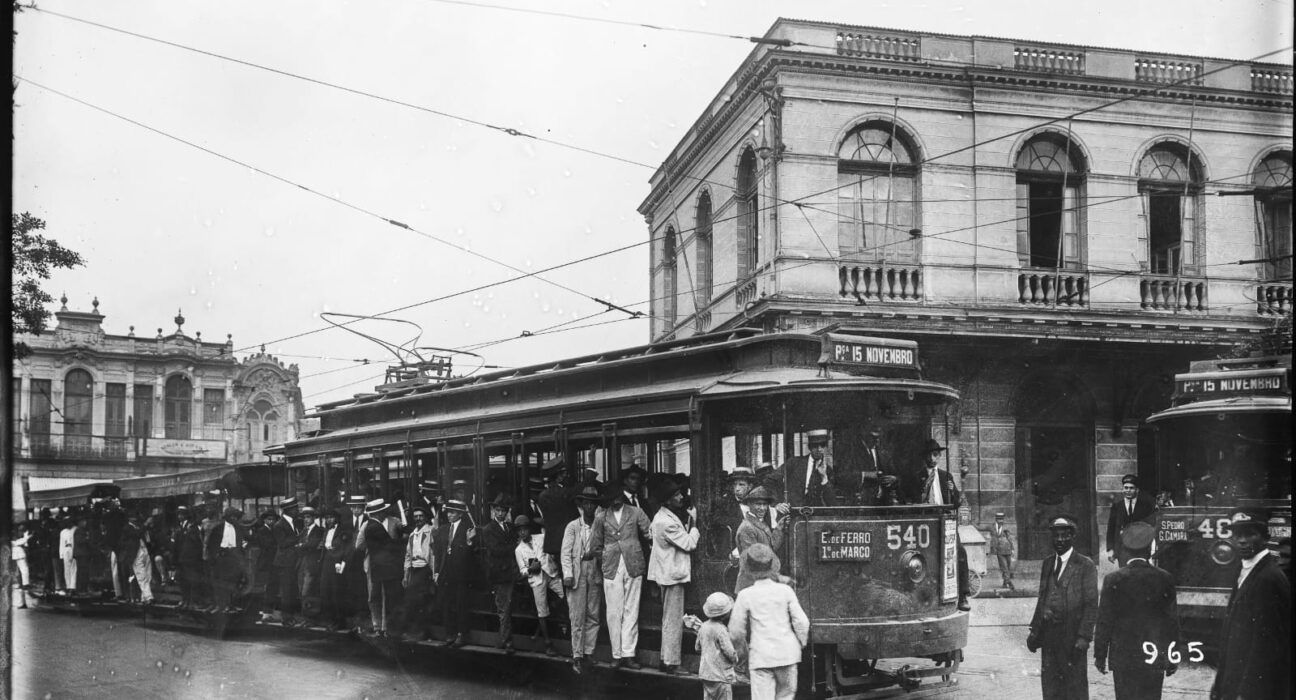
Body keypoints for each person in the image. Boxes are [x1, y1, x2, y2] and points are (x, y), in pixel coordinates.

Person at [1093, 521, 1179, 700]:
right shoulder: (1164, 578)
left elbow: (1104, 620)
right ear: (1149, 550)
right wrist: (1173, 656)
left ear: (1125, 549)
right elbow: (1171, 621)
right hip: (1153, 655)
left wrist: (1100, 655)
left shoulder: (1113, 579)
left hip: (1123, 657)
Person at [1211, 513, 1291, 700]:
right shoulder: (1248, 569)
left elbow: (1266, 645)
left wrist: (1246, 692)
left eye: (1250, 534)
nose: (1242, 541)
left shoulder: (1268, 578)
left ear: (1265, 538)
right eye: (1237, 535)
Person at [1027, 515, 1098, 700]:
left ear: (1072, 537)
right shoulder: (1048, 563)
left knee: (1075, 687)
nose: (1060, 540)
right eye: (1056, 536)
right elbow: (1042, 598)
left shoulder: (1085, 565)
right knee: (1051, 687)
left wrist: (1084, 637)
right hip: (1050, 637)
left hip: (1072, 637)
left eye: (1064, 536)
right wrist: (1035, 632)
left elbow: (1091, 605)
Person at [730, 543, 809, 700]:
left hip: (761, 656)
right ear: (771, 566)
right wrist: (801, 643)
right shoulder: (785, 591)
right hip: (788, 654)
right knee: (786, 696)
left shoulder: (745, 595)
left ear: (749, 570)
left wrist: (742, 653)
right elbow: (802, 622)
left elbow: (735, 632)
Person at [589, 481, 653, 669]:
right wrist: (607, 558)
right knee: (613, 612)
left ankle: (628, 654)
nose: (615, 501)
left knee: (631, 610)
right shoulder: (601, 517)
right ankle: (616, 654)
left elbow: (649, 533)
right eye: (611, 499)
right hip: (612, 567)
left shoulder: (635, 512)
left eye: (617, 498)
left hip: (633, 564)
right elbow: (595, 546)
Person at [907, 439, 971, 610]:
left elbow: (957, 503)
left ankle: (963, 595)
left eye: (935, 455)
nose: (932, 458)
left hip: (945, 524)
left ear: (940, 456)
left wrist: (952, 491)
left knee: (960, 552)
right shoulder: (916, 477)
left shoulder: (946, 476)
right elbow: (913, 502)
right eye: (929, 455)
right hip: (925, 525)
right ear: (924, 457)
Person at [648, 479, 701, 675]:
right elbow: (689, 544)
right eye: (677, 495)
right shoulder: (665, 521)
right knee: (673, 619)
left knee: (669, 618)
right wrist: (694, 523)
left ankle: (665, 659)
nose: (681, 497)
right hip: (673, 576)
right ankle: (672, 662)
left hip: (668, 574)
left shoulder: (662, 517)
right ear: (667, 500)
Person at [561, 484, 603, 674]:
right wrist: (568, 574)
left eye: (593, 504)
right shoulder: (572, 526)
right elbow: (565, 553)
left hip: (594, 571)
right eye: (586, 503)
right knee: (577, 616)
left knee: (593, 614)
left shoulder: (599, 524)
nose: (589, 507)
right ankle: (577, 655)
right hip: (578, 572)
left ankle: (589, 651)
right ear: (581, 505)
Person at [514, 514, 563, 655]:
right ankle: (548, 644)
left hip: (551, 574)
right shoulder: (519, 550)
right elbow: (522, 570)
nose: (522, 532)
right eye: (519, 530)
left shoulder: (540, 538)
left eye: (524, 529)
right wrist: (530, 569)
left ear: (529, 529)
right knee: (542, 610)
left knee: (564, 596)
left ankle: (549, 612)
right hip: (536, 580)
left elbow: (551, 539)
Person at [478, 493, 518, 653]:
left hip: (511, 571)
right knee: (504, 609)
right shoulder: (489, 529)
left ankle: (504, 639)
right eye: (498, 510)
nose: (500, 513)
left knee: (507, 608)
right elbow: (496, 550)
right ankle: (506, 642)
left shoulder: (509, 527)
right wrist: (514, 547)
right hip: (500, 574)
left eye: (503, 510)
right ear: (493, 511)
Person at [434, 499, 476, 647]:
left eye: (452, 512)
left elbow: (471, 553)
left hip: (460, 572)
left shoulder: (468, 528)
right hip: (445, 571)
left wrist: (470, 543)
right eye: (448, 512)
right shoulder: (443, 529)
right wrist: (437, 571)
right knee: (447, 603)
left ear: (460, 514)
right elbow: (438, 553)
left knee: (460, 603)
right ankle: (450, 633)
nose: (449, 515)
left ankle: (461, 634)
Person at [360, 499, 402, 637]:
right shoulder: (373, 526)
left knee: (384, 595)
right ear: (379, 513)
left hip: (380, 565)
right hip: (380, 565)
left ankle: (383, 627)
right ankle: (381, 626)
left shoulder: (391, 522)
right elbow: (388, 544)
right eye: (382, 511)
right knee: (377, 595)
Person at [734, 486, 785, 594]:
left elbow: (772, 547)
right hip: (751, 586)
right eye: (758, 504)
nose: (762, 508)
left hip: (760, 584)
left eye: (765, 504)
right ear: (749, 505)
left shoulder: (759, 523)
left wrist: (780, 527)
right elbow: (753, 561)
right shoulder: (747, 528)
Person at [775, 429, 837, 507]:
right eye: (815, 446)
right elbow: (772, 479)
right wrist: (777, 503)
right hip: (794, 513)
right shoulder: (794, 463)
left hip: (816, 516)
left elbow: (832, 503)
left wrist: (824, 477)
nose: (819, 449)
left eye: (822, 446)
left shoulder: (828, 471)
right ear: (809, 447)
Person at [401, 505, 436, 642]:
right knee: (412, 602)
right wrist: (406, 575)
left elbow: (433, 554)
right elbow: (408, 556)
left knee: (419, 601)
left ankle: (420, 632)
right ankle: (414, 631)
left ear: (426, 517)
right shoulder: (412, 534)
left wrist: (434, 573)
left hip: (425, 569)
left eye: (421, 516)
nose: (418, 519)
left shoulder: (431, 531)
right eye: (415, 516)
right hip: (414, 569)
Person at [536, 464, 577, 579]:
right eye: (563, 474)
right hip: (568, 539)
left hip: (554, 543)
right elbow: (574, 517)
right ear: (558, 477)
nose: (565, 476)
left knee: (563, 574)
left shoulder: (543, 495)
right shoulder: (565, 493)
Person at [696, 591, 739, 700]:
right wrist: (735, 659)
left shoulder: (703, 627)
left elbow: (697, 647)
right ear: (726, 614)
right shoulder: (721, 630)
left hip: (706, 674)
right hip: (721, 675)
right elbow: (729, 651)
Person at [1105, 475, 1156, 566]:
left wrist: (1151, 549)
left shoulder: (1145, 506)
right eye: (1126, 488)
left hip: (1141, 549)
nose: (1128, 490)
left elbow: (1150, 528)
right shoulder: (1117, 507)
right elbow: (1111, 529)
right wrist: (1110, 549)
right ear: (1123, 489)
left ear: (1137, 490)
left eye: (1131, 488)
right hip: (1122, 549)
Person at [206, 507, 247, 612]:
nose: (234, 519)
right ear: (227, 517)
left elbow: (248, 539)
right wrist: (214, 557)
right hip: (221, 557)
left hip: (234, 557)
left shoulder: (239, 528)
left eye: (236, 517)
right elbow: (210, 545)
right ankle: (219, 605)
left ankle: (230, 604)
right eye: (232, 516)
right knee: (218, 582)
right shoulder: (218, 528)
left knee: (232, 582)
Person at [319, 508, 353, 631]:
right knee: (325, 591)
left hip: (337, 564)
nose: (329, 520)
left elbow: (346, 548)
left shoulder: (343, 531)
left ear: (337, 518)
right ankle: (330, 620)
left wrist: (341, 563)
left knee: (337, 593)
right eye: (327, 518)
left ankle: (340, 621)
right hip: (326, 563)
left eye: (331, 517)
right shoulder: (326, 530)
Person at [271, 497, 303, 625]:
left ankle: (291, 615)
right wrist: (298, 538)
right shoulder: (279, 525)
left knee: (292, 590)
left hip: (292, 560)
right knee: (286, 591)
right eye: (295, 508)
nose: (297, 510)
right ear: (288, 510)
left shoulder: (294, 522)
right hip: (284, 562)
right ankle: (286, 618)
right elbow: (283, 543)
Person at [172, 506, 205, 607]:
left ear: (186, 515)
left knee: (193, 580)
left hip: (191, 559)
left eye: (181, 514)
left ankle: (193, 601)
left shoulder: (193, 527)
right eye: (178, 514)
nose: (179, 516)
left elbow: (197, 543)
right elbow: (176, 545)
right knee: (183, 581)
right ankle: (185, 600)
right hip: (182, 559)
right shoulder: (180, 528)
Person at [298, 506, 326, 623]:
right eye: (304, 517)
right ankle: (307, 618)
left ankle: (309, 618)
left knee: (308, 591)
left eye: (308, 517)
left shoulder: (319, 530)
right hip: (302, 563)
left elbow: (312, 544)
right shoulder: (303, 531)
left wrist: (302, 546)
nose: (306, 520)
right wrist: (303, 546)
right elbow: (301, 544)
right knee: (301, 590)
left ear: (314, 518)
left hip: (312, 563)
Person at [989, 511, 1016, 591]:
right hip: (1000, 551)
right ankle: (1009, 582)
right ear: (996, 519)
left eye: (1002, 519)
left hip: (1008, 550)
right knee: (1004, 567)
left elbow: (1010, 538)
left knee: (1008, 566)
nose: (1000, 521)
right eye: (999, 519)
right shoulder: (993, 527)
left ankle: (1005, 582)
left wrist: (1013, 549)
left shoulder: (1006, 528)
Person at [12, 524, 32, 609]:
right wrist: (28, 537)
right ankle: (25, 583)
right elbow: (19, 542)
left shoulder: (19, 537)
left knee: (22, 570)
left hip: (18, 554)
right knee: (24, 569)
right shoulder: (18, 539)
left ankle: (24, 584)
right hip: (19, 554)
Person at [59, 516, 76, 594]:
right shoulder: (63, 532)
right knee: (67, 569)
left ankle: (73, 587)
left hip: (73, 549)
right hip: (66, 549)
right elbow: (61, 543)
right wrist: (61, 554)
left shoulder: (75, 529)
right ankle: (68, 586)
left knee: (74, 568)